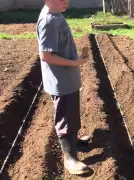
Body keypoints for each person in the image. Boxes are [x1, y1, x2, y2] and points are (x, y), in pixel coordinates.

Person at [36, 0, 90, 174]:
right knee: (65, 117)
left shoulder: (56, 15)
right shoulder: (48, 21)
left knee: (71, 113)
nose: (65, 1)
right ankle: (70, 158)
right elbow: (45, 55)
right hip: (61, 81)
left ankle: (74, 143)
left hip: (68, 78)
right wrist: (74, 62)